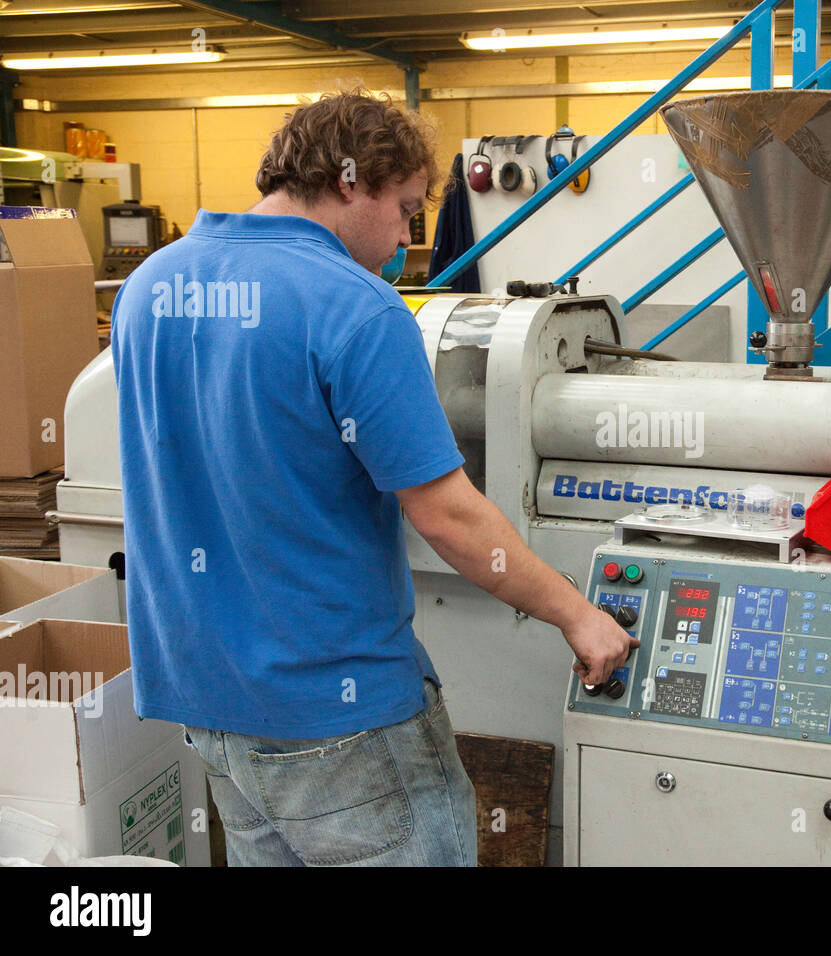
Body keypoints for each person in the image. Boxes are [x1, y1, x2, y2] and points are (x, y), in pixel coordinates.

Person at [111, 91, 636, 866]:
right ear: (351, 180)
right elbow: (449, 518)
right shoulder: (355, 305)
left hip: (209, 708)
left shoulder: (150, 287)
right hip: (338, 719)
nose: (403, 240)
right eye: (405, 208)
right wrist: (577, 615)